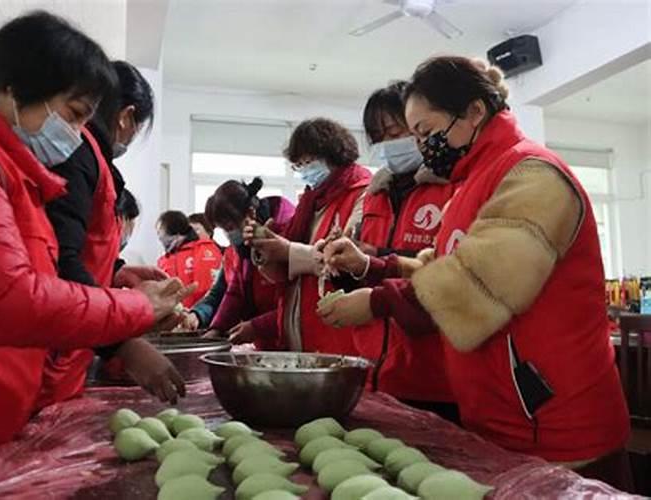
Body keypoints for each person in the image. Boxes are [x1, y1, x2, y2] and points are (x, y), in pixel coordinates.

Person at [0, 12, 191, 498]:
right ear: (16, 89)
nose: (77, 135)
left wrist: (115, 278)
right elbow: (6, 299)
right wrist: (135, 314)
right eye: (74, 114)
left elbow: (43, 276)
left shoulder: (15, 173)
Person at [319, 56, 631, 488]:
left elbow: (475, 283)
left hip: (556, 423)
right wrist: (372, 266)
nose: (423, 145)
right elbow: (440, 266)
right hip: (501, 417)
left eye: (426, 132)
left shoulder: (532, 175)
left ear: (474, 112)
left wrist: (377, 301)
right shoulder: (473, 183)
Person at [38, 61, 172, 409]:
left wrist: (115, 271)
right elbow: (57, 260)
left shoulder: (94, 162)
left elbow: (78, 247)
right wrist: (123, 343)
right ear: (126, 116)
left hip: (76, 339)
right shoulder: (78, 154)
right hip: (52, 345)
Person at [347, 82, 458, 422]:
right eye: (378, 137)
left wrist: (375, 255)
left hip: (436, 377)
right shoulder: (372, 197)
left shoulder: (453, 187)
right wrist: (342, 260)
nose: (387, 144)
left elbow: (448, 269)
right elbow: (361, 270)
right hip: (375, 372)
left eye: (396, 132)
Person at [245, 118, 371, 354]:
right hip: (303, 333)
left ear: (334, 154)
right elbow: (284, 273)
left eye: (308, 162)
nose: (304, 170)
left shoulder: (364, 195)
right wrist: (265, 248)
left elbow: (347, 261)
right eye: (298, 165)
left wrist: (286, 250)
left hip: (339, 337)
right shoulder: (311, 203)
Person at [203, 178, 295, 348]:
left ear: (251, 213)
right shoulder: (244, 248)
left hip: (291, 341)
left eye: (230, 227)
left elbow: (299, 303)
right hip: (266, 344)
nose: (229, 234)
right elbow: (235, 291)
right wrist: (217, 328)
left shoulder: (288, 233)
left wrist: (257, 327)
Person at [157, 210, 222, 308]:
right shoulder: (164, 259)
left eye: (161, 232)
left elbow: (206, 290)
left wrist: (195, 314)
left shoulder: (204, 250)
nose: (160, 237)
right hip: (172, 317)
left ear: (175, 231)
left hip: (199, 317)